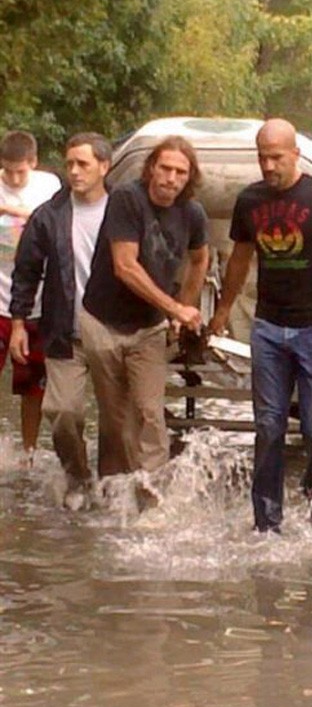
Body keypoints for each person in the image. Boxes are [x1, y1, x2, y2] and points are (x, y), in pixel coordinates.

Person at [208, 118, 312, 533]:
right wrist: (223, 310)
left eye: (276, 157)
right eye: (262, 158)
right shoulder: (250, 200)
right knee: (268, 427)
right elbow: (240, 259)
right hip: (269, 328)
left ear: (295, 154)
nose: (269, 166)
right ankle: (266, 522)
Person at [80, 135, 210, 482]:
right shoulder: (127, 198)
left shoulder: (193, 213)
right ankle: (112, 487)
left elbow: (200, 259)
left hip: (149, 327)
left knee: (150, 412)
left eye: (180, 172)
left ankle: (152, 491)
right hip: (103, 320)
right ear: (152, 168)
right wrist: (175, 308)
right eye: (165, 169)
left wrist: (185, 307)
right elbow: (125, 266)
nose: (171, 178)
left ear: (189, 177)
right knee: (114, 417)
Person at [10, 133, 111, 503]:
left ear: (104, 166)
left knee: (117, 420)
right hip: (63, 328)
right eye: (69, 164)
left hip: (114, 330)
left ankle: (113, 488)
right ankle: (78, 477)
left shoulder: (124, 209)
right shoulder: (49, 215)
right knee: (62, 411)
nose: (74, 171)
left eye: (83, 164)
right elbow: (26, 271)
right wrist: (19, 323)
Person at [0, 131, 61, 459]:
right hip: (0, 297)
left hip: (37, 302)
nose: (13, 178)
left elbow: (53, 226)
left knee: (32, 385)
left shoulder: (49, 186)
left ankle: (29, 452)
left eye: (20, 172)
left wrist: (9, 209)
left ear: (33, 163)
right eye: (7, 171)